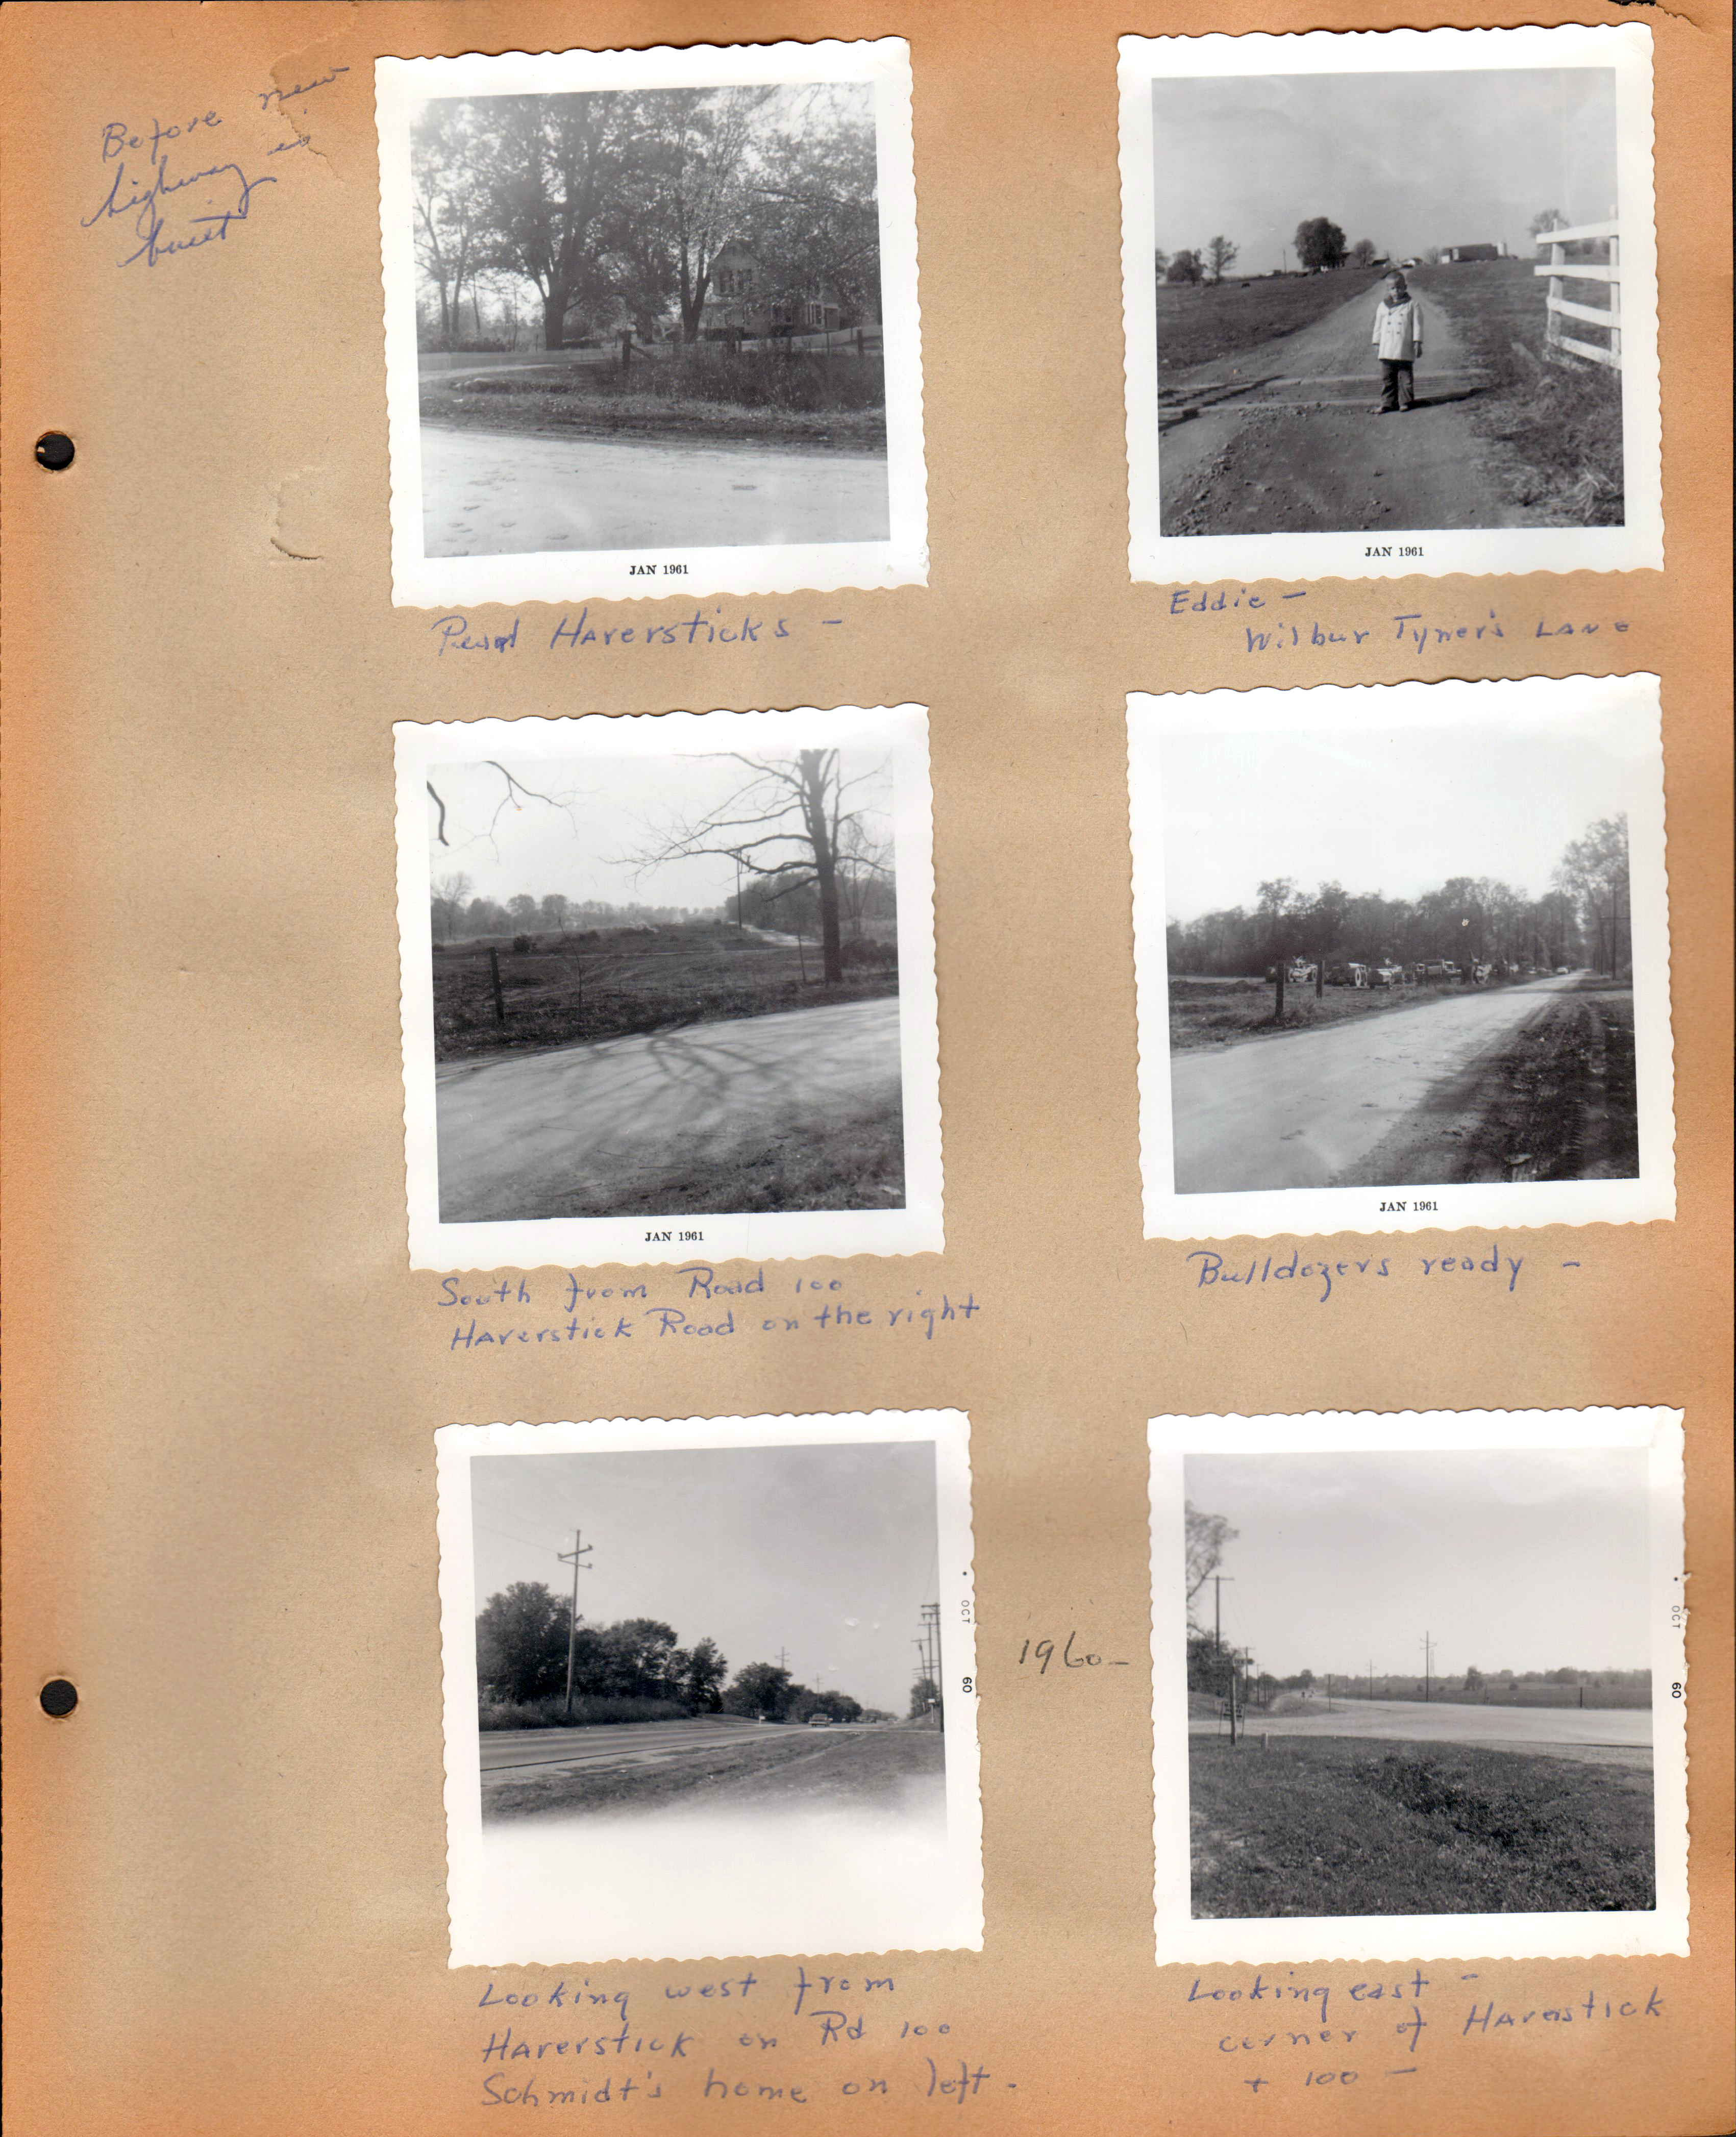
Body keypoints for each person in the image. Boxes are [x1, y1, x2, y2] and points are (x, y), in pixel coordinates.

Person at [1371, 270, 1424, 412]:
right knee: (1387, 378)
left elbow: (1418, 325)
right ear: (1388, 290)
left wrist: (1417, 342)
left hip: (1404, 346)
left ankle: (1405, 402)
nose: (1396, 291)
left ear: (1405, 287)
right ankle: (1388, 403)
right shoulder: (1383, 306)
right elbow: (1378, 325)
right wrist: (1376, 342)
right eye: (1393, 289)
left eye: (1399, 287)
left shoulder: (1413, 305)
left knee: (1405, 377)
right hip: (1387, 347)